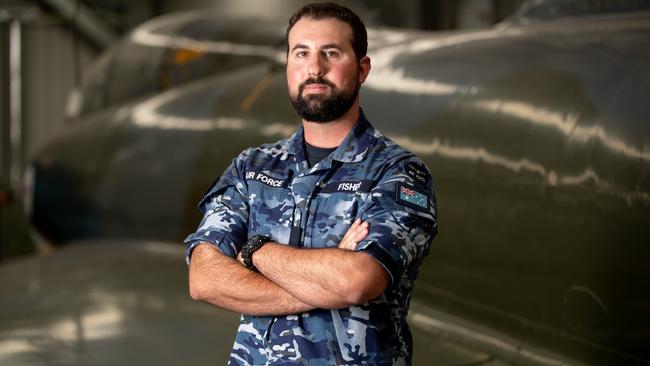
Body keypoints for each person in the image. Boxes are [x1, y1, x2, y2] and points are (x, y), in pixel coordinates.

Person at [185, 2, 438, 365]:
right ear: (288, 66)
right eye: (301, 53)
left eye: (331, 53)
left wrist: (253, 252)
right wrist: (325, 282)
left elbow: (356, 282)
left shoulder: (397, 172)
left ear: (362, 68)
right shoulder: (250, 168)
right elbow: (204, 278)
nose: (314, 68)